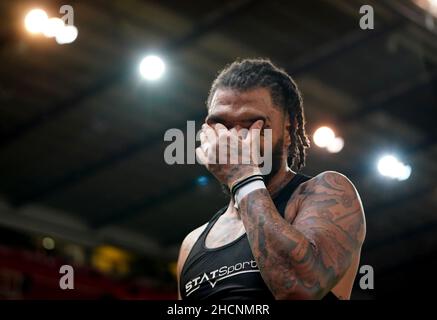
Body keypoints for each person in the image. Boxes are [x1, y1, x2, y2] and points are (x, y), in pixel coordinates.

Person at [177, 58, 366, 300]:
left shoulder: (327, 192)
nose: (234, 139)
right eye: (221, 125)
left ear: (289, 130)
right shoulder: (191, 243)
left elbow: (300, 289)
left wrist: (243, 175)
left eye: (251, 125)